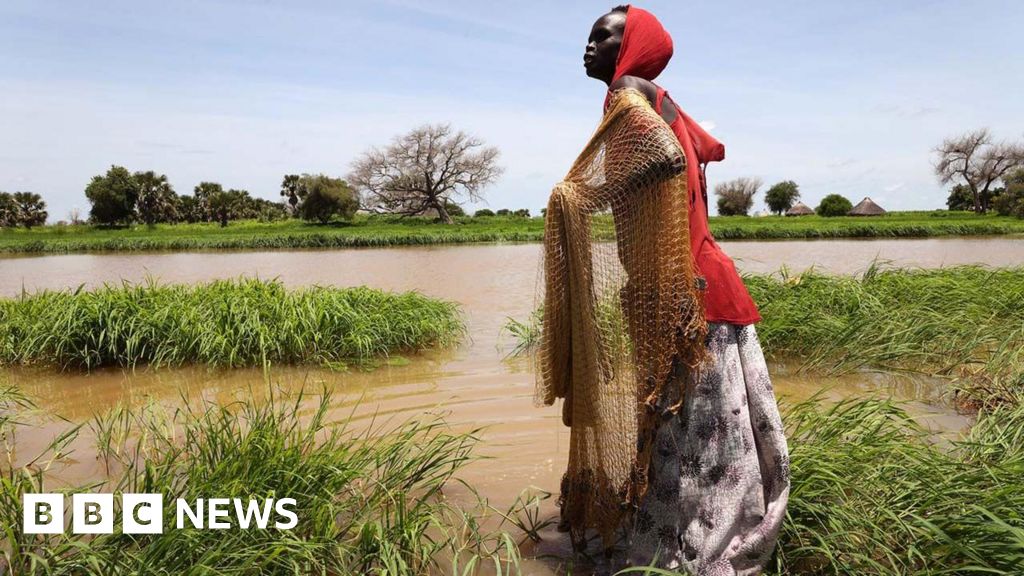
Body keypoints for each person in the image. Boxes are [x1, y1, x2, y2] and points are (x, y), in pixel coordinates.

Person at [575, 5, 791, 574]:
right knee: (716, 430)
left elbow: (665, 157)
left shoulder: (626, 91)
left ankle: (694, 547)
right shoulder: (660, 99)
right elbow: (696, 158)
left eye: (603, 36)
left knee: (695, 433)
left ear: (632, 47)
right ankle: (725, 523)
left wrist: (581, 195)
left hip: (686, 295)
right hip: (705, 284)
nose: (588, 46)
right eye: (590, 37)